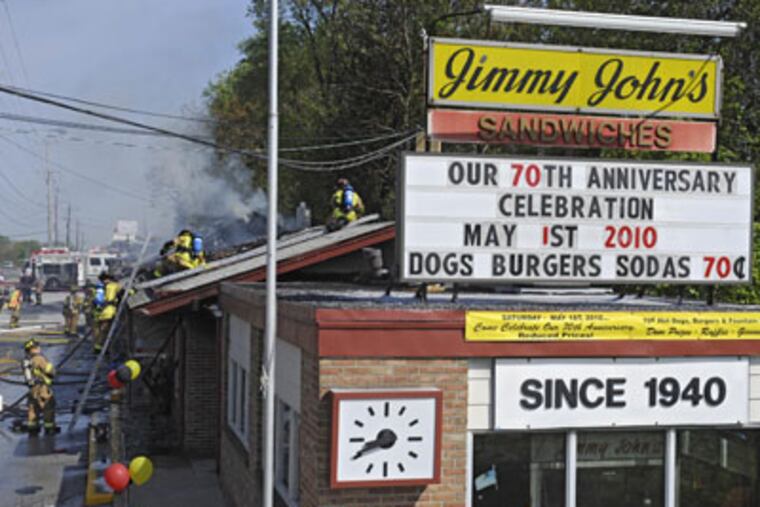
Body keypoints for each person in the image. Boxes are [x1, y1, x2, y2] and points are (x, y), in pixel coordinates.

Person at [23, 338, 58, 435]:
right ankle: (49, 428)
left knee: (33, 408)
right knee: (48, 406)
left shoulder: (27, 359)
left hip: (32, 388)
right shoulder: (38, 358)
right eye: (36, 347)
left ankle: (33, 428)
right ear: (32, 349)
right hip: (42, 387)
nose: (39, 348)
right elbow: (49, 370)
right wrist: (53, 371)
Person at [93, 273, 121, 354]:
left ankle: (98, 347)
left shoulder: (100, 288)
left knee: (102, 330)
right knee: (106, 330)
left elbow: (98, 301)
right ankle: (104, 348)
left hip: (103, 312)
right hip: (110, 311)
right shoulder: (114, 286)